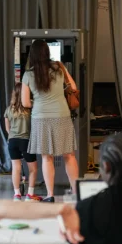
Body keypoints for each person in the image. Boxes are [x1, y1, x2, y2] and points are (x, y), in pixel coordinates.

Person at [21, 40, 79, 202]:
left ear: (31, 55)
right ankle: (76, 192)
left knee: (47, 158)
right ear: (47, 52)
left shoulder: (28, 74)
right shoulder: (59, 68)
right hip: (62, 115)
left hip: (41, 118)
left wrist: (39, 103)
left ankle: (50, 195)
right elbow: (73, 88)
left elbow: (25, 103)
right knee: (69, 155)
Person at [5, 81, 41, 201]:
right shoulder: (30, 107)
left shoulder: (9, 109)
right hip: (26, 141)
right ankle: (30, 194)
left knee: (16, 168)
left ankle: (17, 195)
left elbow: (7, 128)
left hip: (12, 141)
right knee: (33, 169)